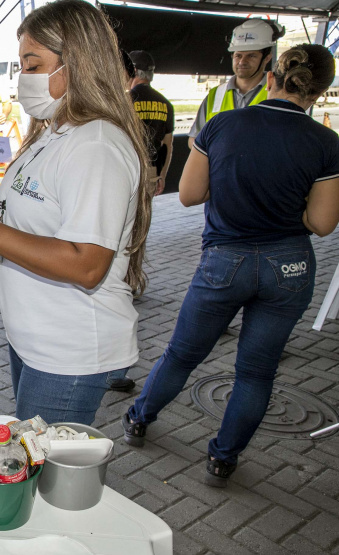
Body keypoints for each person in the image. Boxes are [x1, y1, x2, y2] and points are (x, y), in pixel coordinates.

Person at [0, 0, 154, 426]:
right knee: (33, 459)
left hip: (69, 349)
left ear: (76, 65)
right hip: (35, 337)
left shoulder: (95, 145)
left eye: (32, 64)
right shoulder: (54, 132)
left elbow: (87, 264)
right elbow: (39, 226)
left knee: (43, 482)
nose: (22, 78)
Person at [122, 44, 339, 487]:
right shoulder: (326, 143)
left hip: (224, 261)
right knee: (257, 372)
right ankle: (223, 458)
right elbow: (321, 223)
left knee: (182, 354)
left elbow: (188, 195)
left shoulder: (223, 124)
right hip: (289, 268)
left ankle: (140, 418)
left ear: (272, 75)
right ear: (318, 93)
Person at [188, 19, 284, 148]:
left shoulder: (279, 94)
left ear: (267, 58)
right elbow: (194, 139)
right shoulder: (215, 95)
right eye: (238, 55)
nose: (242, 62)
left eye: (251, 56)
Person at [128, 51, 174, 196]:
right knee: (144, 217)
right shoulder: (166, 104)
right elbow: (167, 145)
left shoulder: (124, 102)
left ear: (133, 70)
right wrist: (161, 176)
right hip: (151, 172)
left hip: (127, 169)